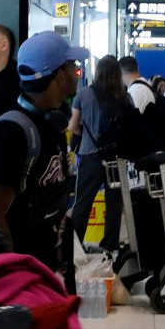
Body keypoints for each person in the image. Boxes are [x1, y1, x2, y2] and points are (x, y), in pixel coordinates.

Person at [0, 32, 83, 282]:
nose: (77, 71)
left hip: (43, 269)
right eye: (72, 66)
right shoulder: (13, 132)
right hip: (21, 277)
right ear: (58, 75)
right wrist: (15, 277)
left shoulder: (52, 124)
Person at [68, 54, 132, 250]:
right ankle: (110, 246)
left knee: (83, 204)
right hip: (117, 158)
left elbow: (73, 126)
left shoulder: (84, 94)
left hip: (91, 155)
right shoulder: (125, 96)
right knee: (114, 204)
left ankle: (74, 248)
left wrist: (86, 134)